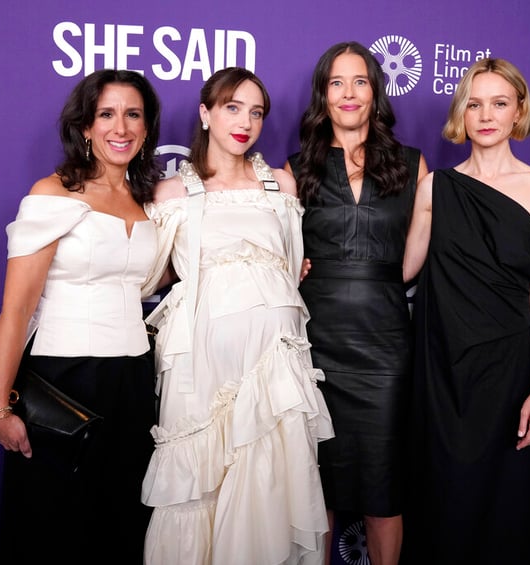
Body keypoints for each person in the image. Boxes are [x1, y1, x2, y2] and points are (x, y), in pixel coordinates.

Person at [139, 66, 333, 565]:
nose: (245, 121)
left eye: (256, 112)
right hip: (201, 367)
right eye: (232, 107)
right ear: (205, 114)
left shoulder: (281, 188)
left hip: (274, 367)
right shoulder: (171, 194)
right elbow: (146, 277)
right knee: (197, 488)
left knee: (274, 476)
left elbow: (290, 270)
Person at [0, 69, 162, 564]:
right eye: (106, 114)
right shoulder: (53, 193)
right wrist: (0, 408)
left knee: (120, 523)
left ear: (147, 129)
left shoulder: (147, 202)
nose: (120, 127)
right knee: (52, 527)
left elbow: (161, 276)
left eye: (133, 115)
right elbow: (15, 311)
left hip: (132, 379)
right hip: (63, 379)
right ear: (85, 126)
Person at [403, 57, 530, 564]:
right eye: (474, 104)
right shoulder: (436, 188)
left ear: (518, 112)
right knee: (440, 503)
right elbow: (405, 269)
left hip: (507, 371)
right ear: (461, 114)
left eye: (499, 103)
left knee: (504, 508)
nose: (486, 114)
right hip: (439, 370)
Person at [285, 41, 428, 565]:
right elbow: (278, 250)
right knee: (316, 485)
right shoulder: (296, 167)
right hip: (315, 342)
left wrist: (521, 262)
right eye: (337, 83)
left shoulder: (412, 164)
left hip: (385, 343)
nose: (349, 93)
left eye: (360, 81)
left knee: (382, 485)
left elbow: (420, 255)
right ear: (323, 95)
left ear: (375, 91)